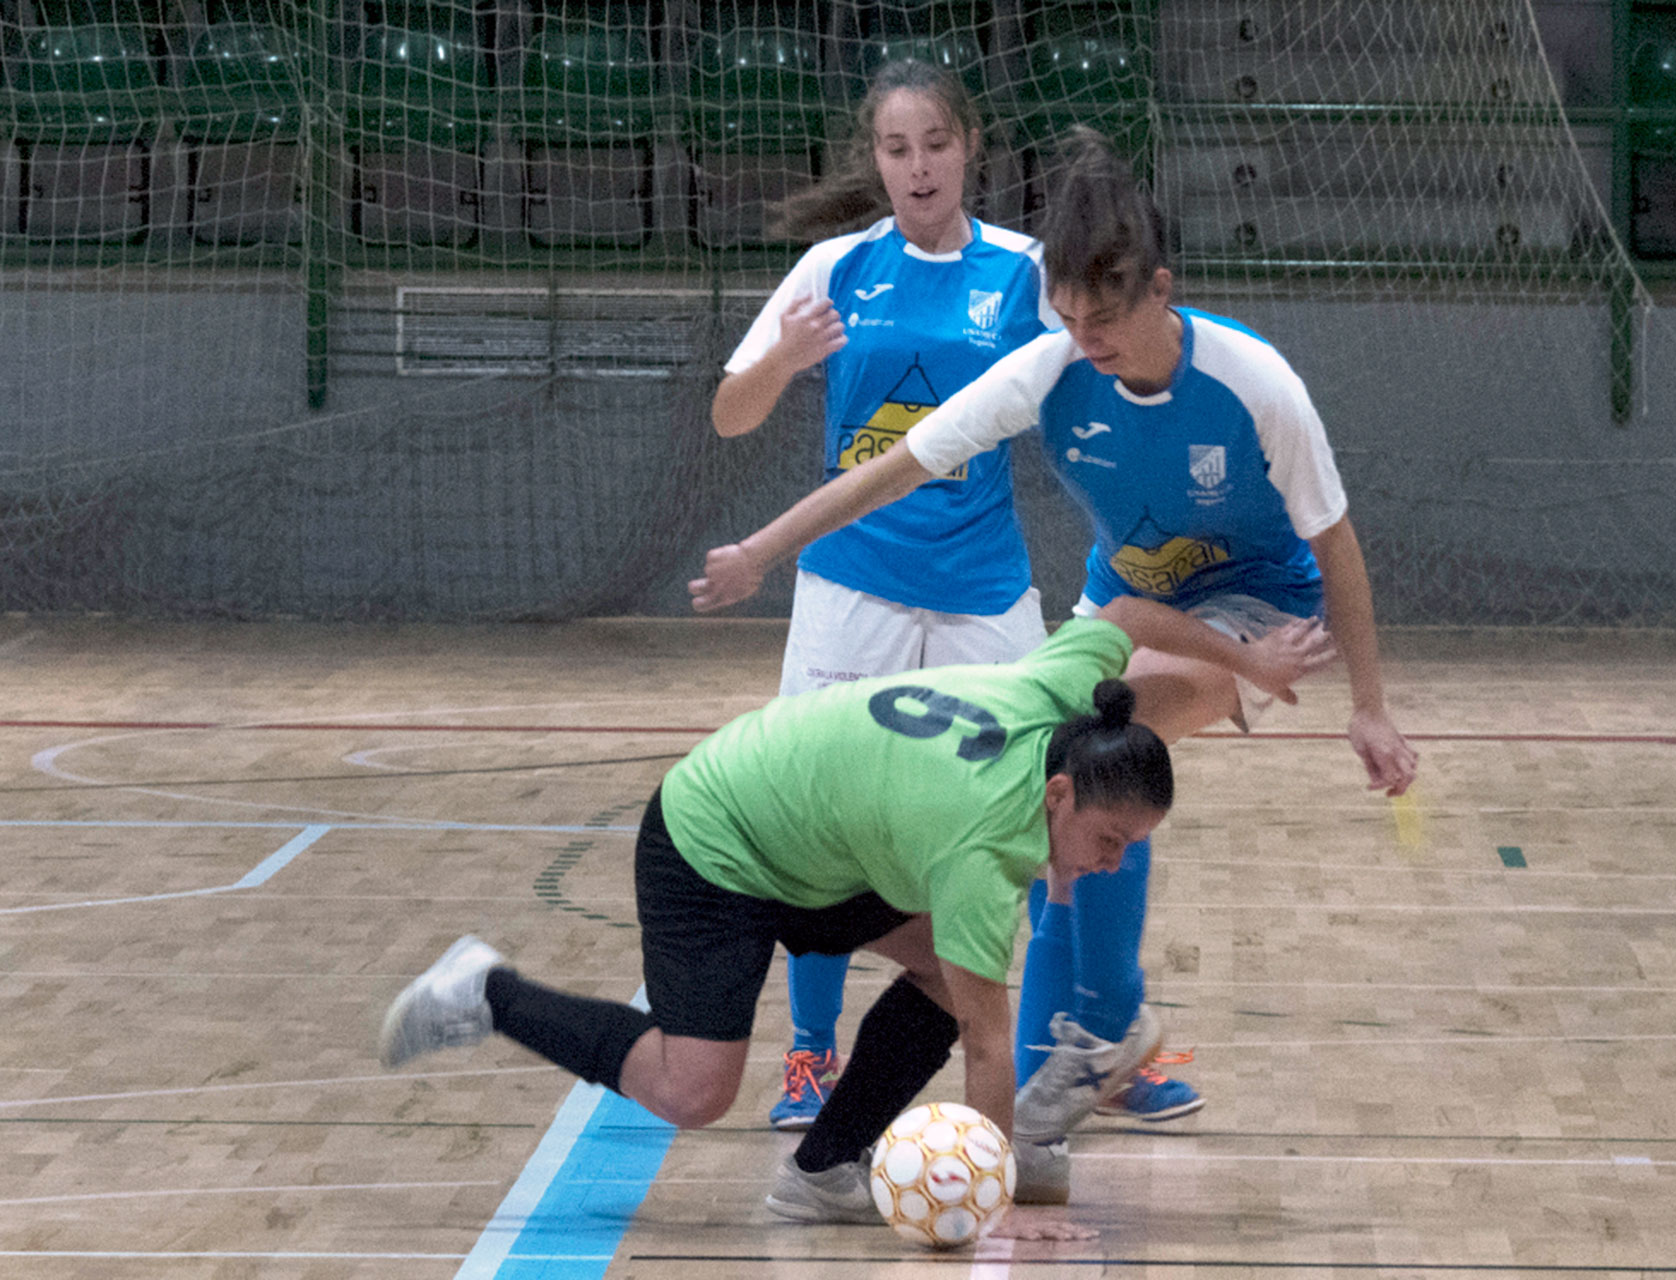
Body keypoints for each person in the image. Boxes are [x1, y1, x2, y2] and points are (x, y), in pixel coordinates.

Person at [689, 128, 1419, 1198]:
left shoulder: (1253, 380)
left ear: (1160, 290)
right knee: (1049, 788)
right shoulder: (1053, 367)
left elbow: (1337, 541)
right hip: (1121, 602)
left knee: (1119, 735)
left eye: (1105, 318)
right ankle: (1051, 1090)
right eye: (1068, 318)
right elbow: (891, 470)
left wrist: (1369, 705)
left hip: (1258, 610)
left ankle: (1103, 1024)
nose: (1087, 340)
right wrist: (762, 549)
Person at [377, 595, 1327, 1238]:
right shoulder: (982, 848)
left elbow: (1120, 615)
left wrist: (1244, 660)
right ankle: (487, 993)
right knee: (692, 1092)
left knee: (939, 976)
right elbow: (989, 1051)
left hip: (816, 843)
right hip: (717, 834)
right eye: (1110, 840)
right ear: (1060, 795)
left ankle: (822, 1171)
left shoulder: (1060, 700)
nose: (1114, 862)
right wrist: (988, 1209)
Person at [709, 59, 1108, 1131]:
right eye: (897, 149)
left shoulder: (1026, 272)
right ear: (875, 161)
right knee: (815, 822)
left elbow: (1099, 368)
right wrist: (782, 359)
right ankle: (810, 1054)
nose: (918, 165)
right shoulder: (834, 267)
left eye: (935, 143)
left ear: (969, 146)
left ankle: (1073, 1040)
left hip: (983, 587)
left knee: (1042, 810)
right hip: (851, 586)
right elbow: (731, 413)